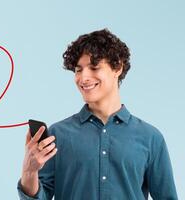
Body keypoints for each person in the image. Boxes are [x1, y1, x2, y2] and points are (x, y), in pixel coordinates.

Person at [18, 29, 177, 199]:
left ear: (117, 68)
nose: (84, 77)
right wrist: (29, 171)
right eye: (78, 70)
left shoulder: (151, 138)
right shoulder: (57, 134)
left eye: (94, 67)